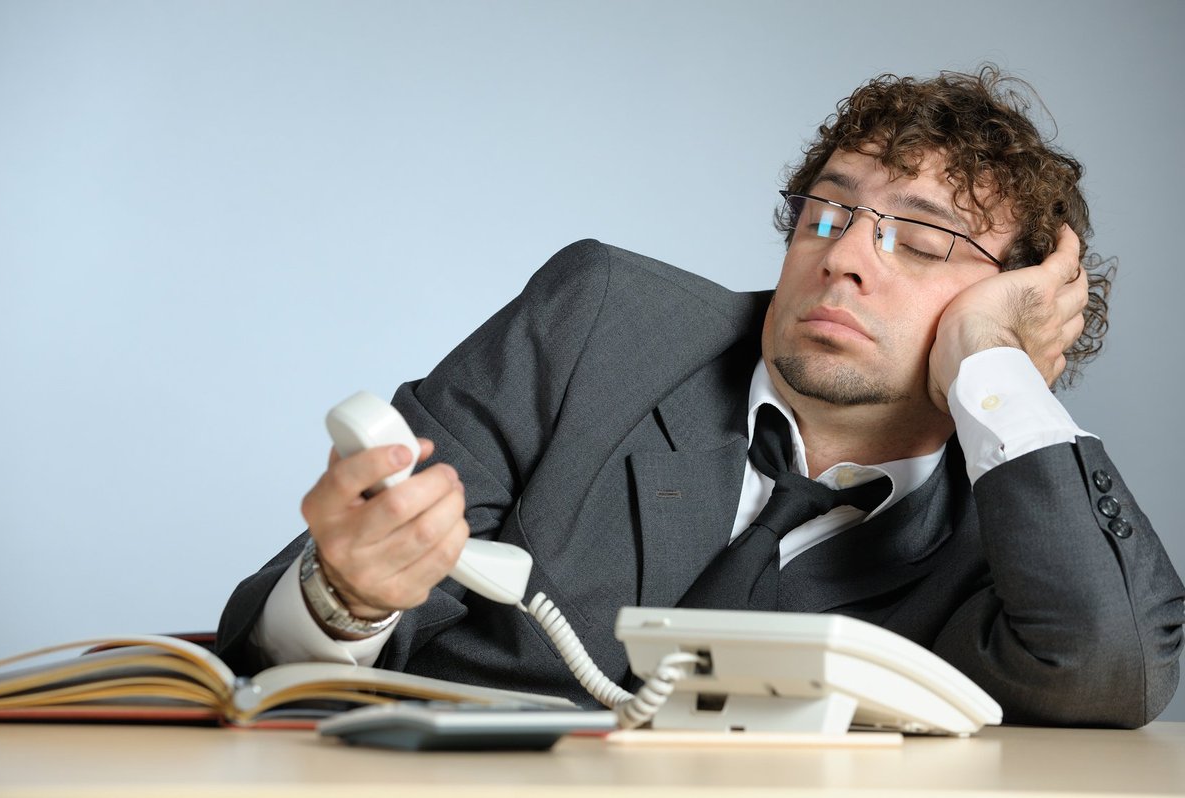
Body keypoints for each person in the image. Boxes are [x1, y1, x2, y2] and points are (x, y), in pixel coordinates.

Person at [217, 66, 1183, 728]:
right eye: (826, 213)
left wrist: (993, 369)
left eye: (924, 241)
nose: (844, 255)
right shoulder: (600, 323)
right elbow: (280, 650)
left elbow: (1112, 671)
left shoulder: (1019, 512)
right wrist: (349, 598)